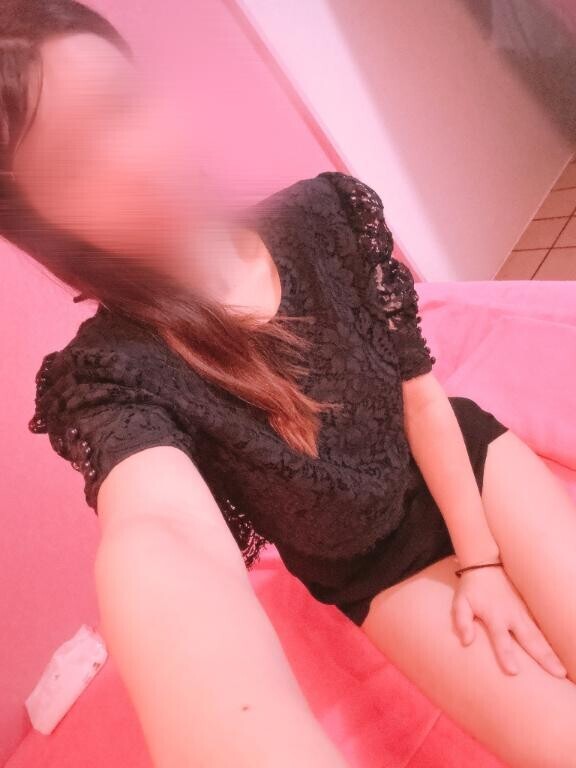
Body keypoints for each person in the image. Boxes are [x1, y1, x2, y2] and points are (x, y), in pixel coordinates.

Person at [3, 2, 576, 766]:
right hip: (382, 568)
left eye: (122, 105)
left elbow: (421, 393)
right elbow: (158, 533)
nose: (133, 162)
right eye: (72, 162)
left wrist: (483, 560)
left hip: (466, 460)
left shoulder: (327, 214)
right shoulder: (109, 376)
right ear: (41, 219)